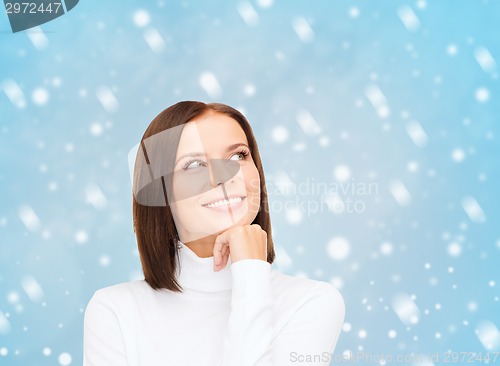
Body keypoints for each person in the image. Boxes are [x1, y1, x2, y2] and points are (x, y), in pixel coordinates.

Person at [83, 101, 345, 366]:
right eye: (195, 164)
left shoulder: (311, 303)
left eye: (238, 156)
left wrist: (251, 272)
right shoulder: (114, 311)